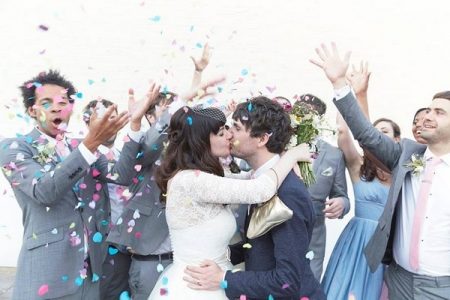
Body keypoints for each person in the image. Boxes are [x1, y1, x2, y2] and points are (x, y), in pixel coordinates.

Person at [311, 42, 450, 299]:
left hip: (441, 287)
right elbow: (366, 135)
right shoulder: (407, 155)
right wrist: (341, 84)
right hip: (398, 281)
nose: (428, 116)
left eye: (439, 112)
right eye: (428, 109)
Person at [0, 70, 156, 299]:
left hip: (91, 274)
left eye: (63, 102)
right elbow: (45, 191)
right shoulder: (13, 148)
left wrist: (134, 124)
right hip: (47, 275)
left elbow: (120, 175)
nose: (56, 108)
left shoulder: (78, 145)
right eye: (46, 103)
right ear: (32, 110)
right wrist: (91, 143)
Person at [182, 97, 326, 299]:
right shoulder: (259, 182)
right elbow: (261, 245)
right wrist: (219, 255)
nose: (229, 135)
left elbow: (287, 281)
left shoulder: (288, 192)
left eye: (237, 128)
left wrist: (224, 277)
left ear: (261, 139)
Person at [320, 61, 401, 299]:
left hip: (388, 246)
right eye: (375, 131)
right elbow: (346, 133)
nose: (378, 136)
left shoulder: (404, 171)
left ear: (397, 140)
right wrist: (350, 91)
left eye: (384, 132)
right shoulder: (358, 166)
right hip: (357, 242)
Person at [296, 93, 350, 281]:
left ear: (319, 119)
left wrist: (342, 203)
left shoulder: (334, 155)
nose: (304, 117)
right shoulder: (276, 145)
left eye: (310, 113)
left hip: (313, 240)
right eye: (299, 112)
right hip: (274, 235)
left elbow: (342, 195)